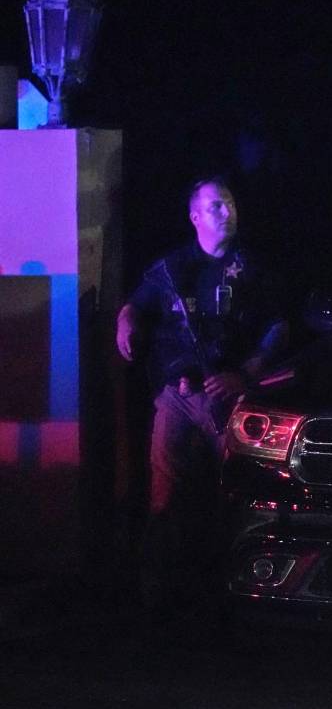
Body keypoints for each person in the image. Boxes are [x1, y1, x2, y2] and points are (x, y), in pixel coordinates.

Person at [116, 176, 288, 610]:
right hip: (178, 396)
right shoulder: (173, 269)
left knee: (238, 495)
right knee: (165, 495)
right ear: (195, 216)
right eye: (215, 206)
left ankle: (239, 593)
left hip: (232, 401)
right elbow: (138, 303)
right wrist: (126, 322)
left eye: (229, 203)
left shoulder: (254, 270)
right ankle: (156, 597)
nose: (225, 212)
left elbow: (279, 326)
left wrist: (245, 374)